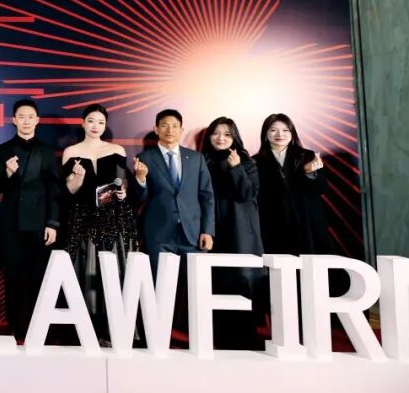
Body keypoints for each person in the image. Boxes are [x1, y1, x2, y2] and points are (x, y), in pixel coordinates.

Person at [61, 103, 141, 340]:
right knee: (85, 271)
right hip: (82, 218)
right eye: (91, 121)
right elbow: (70, 190)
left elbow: (122, 183)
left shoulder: (116, 149)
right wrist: (78, 177)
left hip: (114, 218)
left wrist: (123, 193)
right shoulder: (71, 152)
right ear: (82, 123)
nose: (96, 126)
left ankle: (114, 330)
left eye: (101, 122)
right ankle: (86, 331)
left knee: (115, 271)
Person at [0, 98, 60, 341]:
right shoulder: (2, 150)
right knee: (12, 275)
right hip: (11, 223)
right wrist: (8, 173)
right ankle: (14, 324)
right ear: (14, 120)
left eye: (31, 117)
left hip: (39, 223)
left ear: (37, 120)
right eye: (22, 116)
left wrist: (52, 223)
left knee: (38, 275)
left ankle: (37, 326)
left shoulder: (47, 151)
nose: (26, 121)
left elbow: (54, 190)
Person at [200, 116, 263, 348]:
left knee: (242, 278)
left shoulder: (247, 162)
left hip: (239, 230)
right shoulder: (201, 161)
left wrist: (236, 168)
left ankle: (246, 334)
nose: (221, 138)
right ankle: (218, 334)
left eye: (227, 134)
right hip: (212, 229)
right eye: (216, 133)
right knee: (215, 280)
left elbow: (247, 194)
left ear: (234, 137)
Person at [134, 109, 215, 265]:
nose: (170, 130)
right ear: (156, 129)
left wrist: (207, 231)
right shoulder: (145, 158)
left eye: (175, 126)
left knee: (193, 279)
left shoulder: (196, 158)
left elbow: (207, 197)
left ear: (181, 130)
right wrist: (140, 179)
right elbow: (138, 198)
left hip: (192, 233)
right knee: (161, 279)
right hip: (159, 234)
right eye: (165, 125)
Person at [254, 113, 332, 257]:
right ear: (265, 133)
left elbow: (322, 188)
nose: (280, 135)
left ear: (292, 133)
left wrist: (309, 173)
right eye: (273, 130)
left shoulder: (308, 156)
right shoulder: (255, 161)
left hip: (306, 222)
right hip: (273, 223)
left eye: (285, 130)